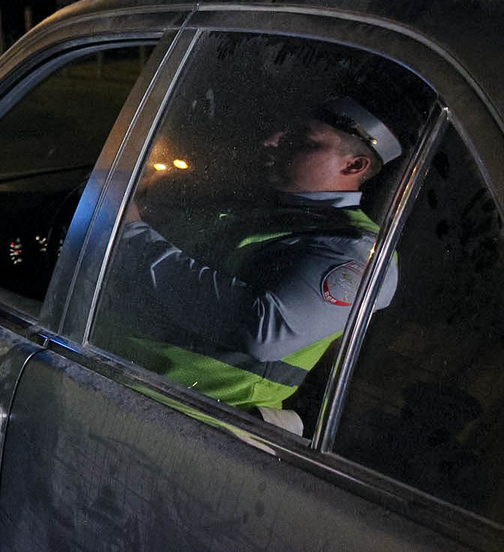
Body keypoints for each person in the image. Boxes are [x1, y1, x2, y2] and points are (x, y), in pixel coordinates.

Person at [109, 96, 403, 420]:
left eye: (300, 140)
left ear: (353, 165)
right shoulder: (264, 210)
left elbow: (263, 330)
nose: (272, 141)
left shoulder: (357, 248)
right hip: (120, 381)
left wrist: (130, 235)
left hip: (187, 417)